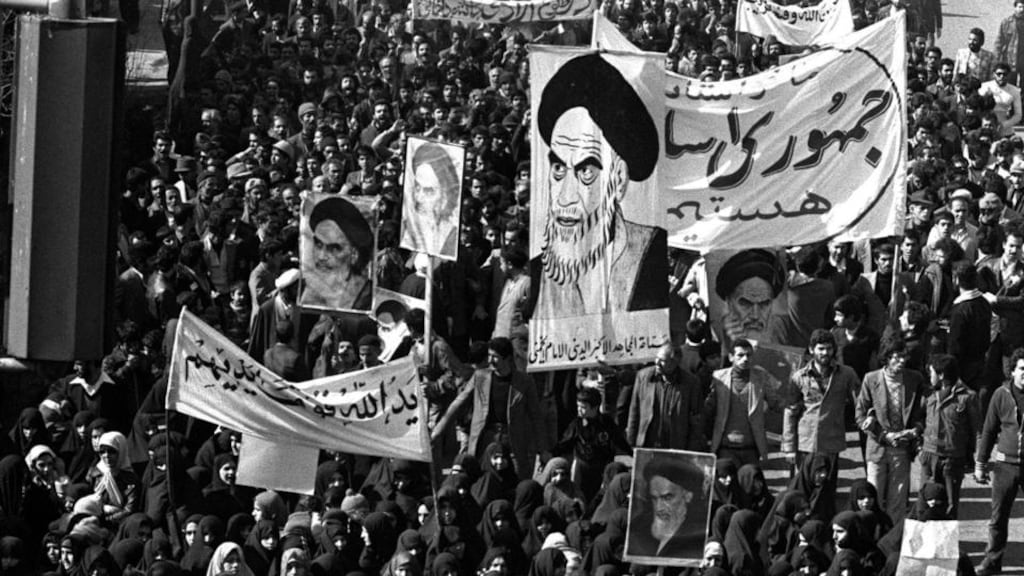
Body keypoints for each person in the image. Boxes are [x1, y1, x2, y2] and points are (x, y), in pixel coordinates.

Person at [529, 53, 668, 320]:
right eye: (558, 169)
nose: (565, 198)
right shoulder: (539, 271)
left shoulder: (652, 257)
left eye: (585, 172)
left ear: (617, 180)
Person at [437, 337, 549, 478]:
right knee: (483, 481)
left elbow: (536, 416)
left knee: (516, 480)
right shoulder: (480, 377)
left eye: (495, 357)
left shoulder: (525, 382)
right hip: (486, 439)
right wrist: (439, 429)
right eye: (489, 356)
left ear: (507, 358)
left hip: (513, 441)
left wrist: (543, 449)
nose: (490, 361)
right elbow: (459, 402)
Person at [855, 336, 926, 523]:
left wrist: (915, 431)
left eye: (904, 357)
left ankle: (893, 539)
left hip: (901, 448)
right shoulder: (871, 379)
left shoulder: (914, 379)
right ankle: (872, 536)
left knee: (898, 499)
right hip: (878, 446)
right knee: (872, 497)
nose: (901, 361)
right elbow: (860, 415)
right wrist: (882, 434)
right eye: (896, 357)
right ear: (886, 357)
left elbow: (923, 413)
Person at [783, 329, 860, 489]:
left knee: (828, 488)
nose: (825, 353)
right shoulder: (799, 377)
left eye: (829, 348)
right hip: (806, 442)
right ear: (812, 350)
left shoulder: (846, 374)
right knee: (803, 487)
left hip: (832, 441)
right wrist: (789, 448)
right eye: (821, 348)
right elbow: (790, 412)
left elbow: (859, 402)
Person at [975, 347, 1024, 576]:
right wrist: (980, 463)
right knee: (998, 518)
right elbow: (988, 430)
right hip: (1005, 465)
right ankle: (992, 561)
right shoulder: (1001, 394)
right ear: (1013, 371)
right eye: (1022, 369)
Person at [706, 338, 785, 466]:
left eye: (748, 355)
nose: (745, 359)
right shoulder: (718, 378)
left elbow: (775, 403)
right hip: (725, 447)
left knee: (750, 482)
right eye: (740, 355)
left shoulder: (761, 377)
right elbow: (708, 408)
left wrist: (794, 408)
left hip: (751, 448)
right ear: (731, 357)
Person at [922, 354, 981, 519]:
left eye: (932, 372)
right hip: (929, 455)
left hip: (953, 460)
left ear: (941, 375)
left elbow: (978, 431)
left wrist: (979, 462)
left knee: (949, 505)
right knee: (925, 502)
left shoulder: (968, 397)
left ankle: (946, 545)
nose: (930, 376)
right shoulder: (928, 395)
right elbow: (918, 419)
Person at [625, 456, 707, 560]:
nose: (659, 507)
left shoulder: (698, 534)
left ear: (687, 496)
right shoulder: (639, 527)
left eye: (667, 498)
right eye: (654, 498)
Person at [626, 344, 705, 451]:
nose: (656, 362)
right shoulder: (643, 376)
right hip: (647, 445)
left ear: (674, 363)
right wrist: (631, 443)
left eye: (662, 360)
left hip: (676, 447)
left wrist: (692, 448)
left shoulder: (691, 383)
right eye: (657, 358)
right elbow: (634, 411)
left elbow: (696, 419)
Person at [300, 196, 373, 311]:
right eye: (318, 245)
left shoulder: (366, 299)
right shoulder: (310, 292)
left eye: (333, 249)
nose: (321, 257)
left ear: (354, 254)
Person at [402, 141, 461, 259]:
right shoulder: (408, 232)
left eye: (429, 191)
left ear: (446, 196)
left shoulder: (452, 240)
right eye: (417, 188)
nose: (419, 198)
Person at [714, 249, 785, 345]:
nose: (755, 316)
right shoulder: (718, 335)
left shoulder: (782, 333)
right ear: (729, 302)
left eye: (764, 304)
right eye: (745, 303)